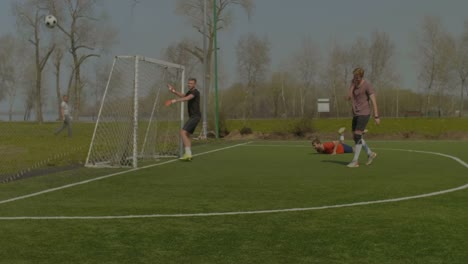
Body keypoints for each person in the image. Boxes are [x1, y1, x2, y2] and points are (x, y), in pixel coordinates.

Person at [346, 68, 379, 168]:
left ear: (361, 77)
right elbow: (349, 96)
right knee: (355, 137)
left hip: (364, 113)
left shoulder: (367, 86)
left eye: (357, 77)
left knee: (357, 135)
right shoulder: (353, 82)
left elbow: (374, 102)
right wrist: (351, 88)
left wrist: (376, 116)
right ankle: (370, 153)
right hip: (356, 113)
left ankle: (355, 161)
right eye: (354, 77)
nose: (355, 79)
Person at [166, 78, 201, 161]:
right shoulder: (190, 92)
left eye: (191, 83)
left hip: (195, 116)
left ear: (194, 84)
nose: (189, 84)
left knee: (182, 132)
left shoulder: (195, 92)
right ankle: (188, 154)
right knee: (187, 135)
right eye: (188, 83)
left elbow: (187, 98)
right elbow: (183, 95)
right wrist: (173, 90)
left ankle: (188, 154)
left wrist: (174, 100)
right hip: (193, 116)